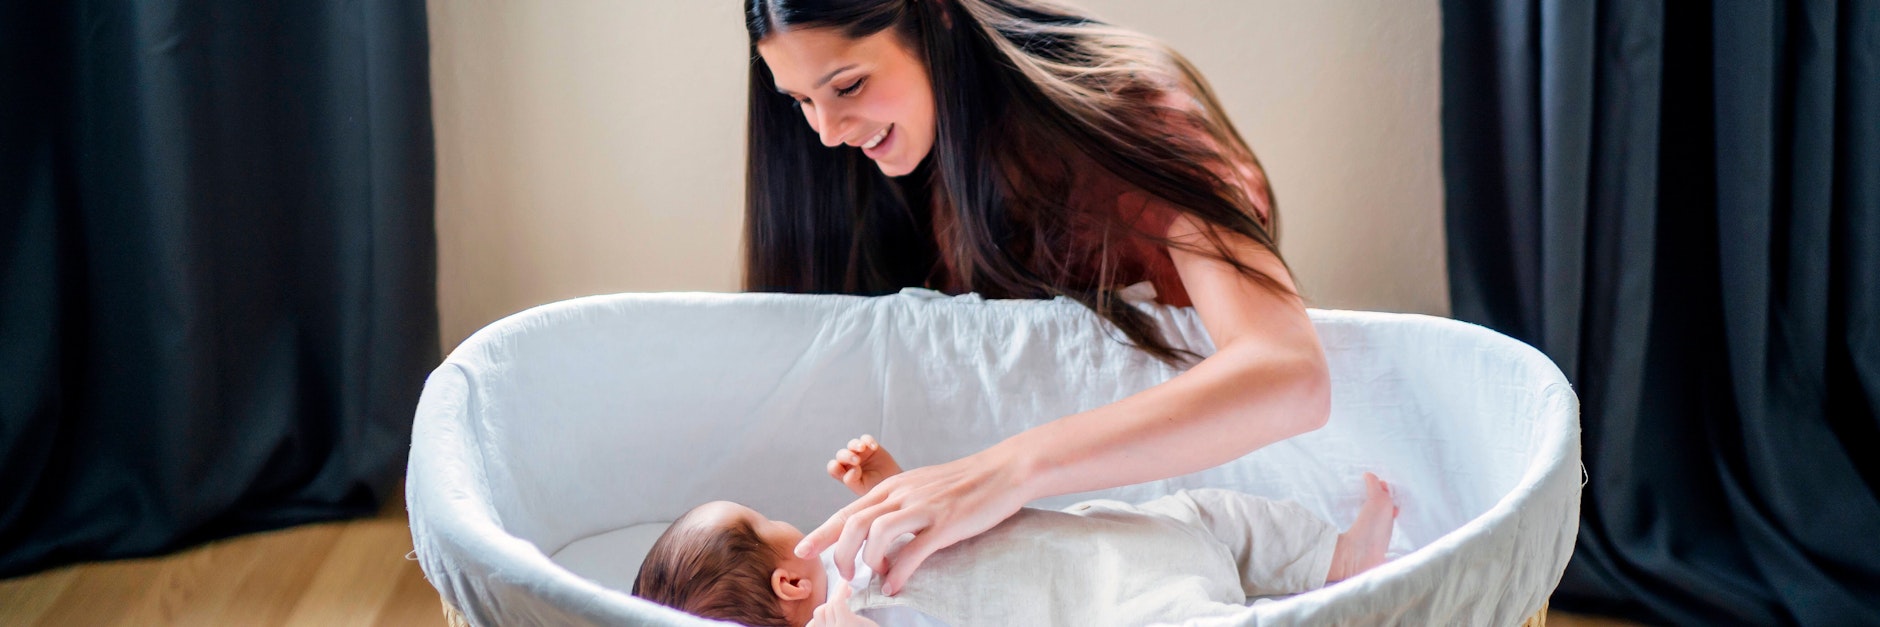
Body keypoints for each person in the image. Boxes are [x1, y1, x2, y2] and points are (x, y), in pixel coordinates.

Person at [743, 0, 1332, 598]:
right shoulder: (876, 166)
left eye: (849, 85)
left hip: (1182, 519)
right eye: (800, 101)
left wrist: (1005, 472)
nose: (826, 132)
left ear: (937, 17)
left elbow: (1289, 374)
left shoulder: (1134, 117)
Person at [631, 436, 1398, 626]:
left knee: (1215, 512)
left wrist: (890, 479)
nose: (786, 515)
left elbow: (939, 511)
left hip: (1123, 536)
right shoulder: (855, 610)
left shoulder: (857, 551)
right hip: (1116, 605)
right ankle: (1333, 592)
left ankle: (1336, 557)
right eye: (769, 524)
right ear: (790, 579)